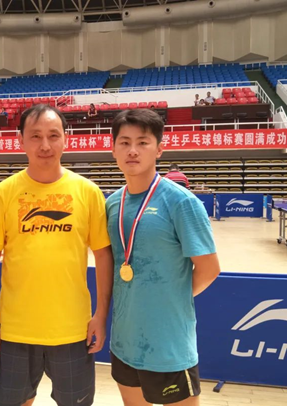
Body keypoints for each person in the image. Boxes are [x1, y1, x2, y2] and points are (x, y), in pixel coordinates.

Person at [0, 104, 113, 406]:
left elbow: (103, 257)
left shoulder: (88, 192)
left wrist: (101, 315)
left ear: (66, 139)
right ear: (21, 140)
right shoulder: (2, 194)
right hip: (16, 330)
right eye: (35, 136)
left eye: (53, 135)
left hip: (73, 330)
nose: (45, 145)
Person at [106, 109, 220, 406]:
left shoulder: (181, 202)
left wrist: (171, 297)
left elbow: (209, 268)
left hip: (169, 346)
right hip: (125, 342)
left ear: (159, 149)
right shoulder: (112, 204)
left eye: (143, 142)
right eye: (124, 142)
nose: (132, 150)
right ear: (113, 149)